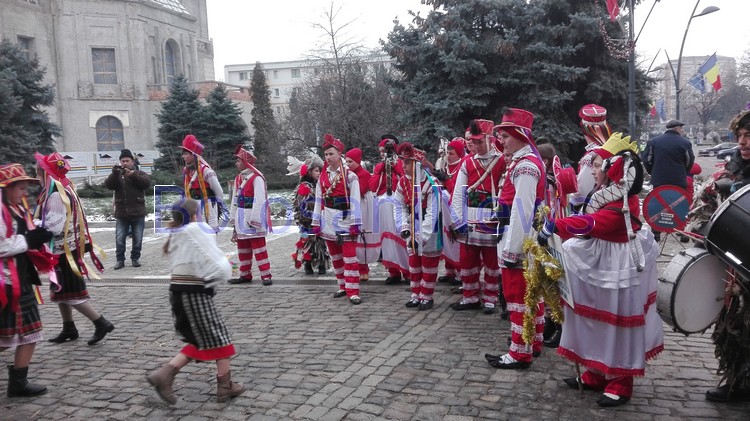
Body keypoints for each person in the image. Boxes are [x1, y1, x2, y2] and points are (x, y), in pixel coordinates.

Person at [537, 133, 664, 407]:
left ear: (613, 168)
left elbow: (598, 223)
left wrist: (557, 226)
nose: (592, 170)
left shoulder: (624, 201)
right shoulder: (604, 194)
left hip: (619, 266)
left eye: (596, 165)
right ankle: (596, 372)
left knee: (617, 323)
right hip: (603, 259)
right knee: (596, 319)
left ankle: (620, 381)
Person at [146, 198, 244, 404]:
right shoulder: (195, 229)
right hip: (194, 293)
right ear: (192, 215)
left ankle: (164, 375)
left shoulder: (178, 233)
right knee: (220, 338)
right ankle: (224, 387)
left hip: (182, 293)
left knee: (202, 340)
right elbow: (214, 261)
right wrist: (226, 269)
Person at [34, 152, 114, 346]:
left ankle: (100, 322)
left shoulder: (55, 194)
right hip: (64, 249)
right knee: (61, 291)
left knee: (70, 292)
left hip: (65, 251)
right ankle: (69, 328)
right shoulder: (63, 188)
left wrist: (33, 223)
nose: (37, 178)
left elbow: (54, 225)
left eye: (39, 174)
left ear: (47, 175)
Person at [486, 108, 545, 369]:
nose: (502, 141)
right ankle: (535, 341)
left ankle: (520, 352)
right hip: (519, 232)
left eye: (506, 135)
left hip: (519, 236)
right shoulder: (523, 162)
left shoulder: (526, 166)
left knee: (518, 295)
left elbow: (523, 209)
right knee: (532, 293)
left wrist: (513, 251)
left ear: (520, 135)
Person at [705, 108, 750, 402]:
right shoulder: (734, 165)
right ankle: (736, 383)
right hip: (738, 263)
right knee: (733, 326)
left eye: (749, 137)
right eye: (740, 136)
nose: (743, 142)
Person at [0, 163, 53, 397]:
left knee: (28, 334)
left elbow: (22, 233)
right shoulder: (1, 211)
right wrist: (28, 241)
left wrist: (35, 234)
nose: (24, 192)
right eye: (20, 187)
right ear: (6, 188)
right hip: (6, 282)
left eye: (25, 187)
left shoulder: (16, 209)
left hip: (20, 278)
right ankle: (18, 383)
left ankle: (18, 382)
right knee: (10, 336)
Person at [450, 119, 506, 314]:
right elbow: (458, 192)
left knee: (491, 259)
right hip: (471, 215)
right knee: (468, 259)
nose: (475, 146)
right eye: (473, 142)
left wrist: (503, 217)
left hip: (491, 214)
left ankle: (490, 298)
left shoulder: (502, 160)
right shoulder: (468, 162)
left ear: (489, 139)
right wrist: (457, 219)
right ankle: (470, 296)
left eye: (479, 142)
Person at [393, 143, 453, 310]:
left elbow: (433, 212)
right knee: (414, 262)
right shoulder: (403, 182)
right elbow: (399, 206)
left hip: (430, 227)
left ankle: (427, 295)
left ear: (417, 163)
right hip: (413, 224)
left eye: (407, 162)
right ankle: (415, 293)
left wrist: (423, 236)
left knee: (428, 262)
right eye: (402, 162)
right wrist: (403, 225)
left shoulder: (431, 183)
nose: (403, 166)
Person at [312, 134, 363, 305]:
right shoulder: (323, 177)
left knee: (349, 257)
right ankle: (342, 285)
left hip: (345, 219)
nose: (328, 158)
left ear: (339, 154)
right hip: (328, 219)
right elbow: (318, 200)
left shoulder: (350, 176)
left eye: (331, 154)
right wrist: (316, 221)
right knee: (335, 256)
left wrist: (356, 223)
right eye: (326, 155)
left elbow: (355, 201)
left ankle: (353, 290)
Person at [641, 119, 695, 241]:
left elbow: (646, 159)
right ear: (677, 129)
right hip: (679, 180)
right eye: (681, 129)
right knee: (680, 204)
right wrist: (683, 172)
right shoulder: (685, 143)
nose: (682, 131)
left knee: (658, 204)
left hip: (659, 180)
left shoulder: (654, 142)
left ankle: (656, 232)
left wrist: (652, 171)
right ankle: (681, 232)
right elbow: (689, 161)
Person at [227, 145, 273, 286]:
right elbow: (234, 199)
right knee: (243, 247)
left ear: (246, 162)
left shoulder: (257, 178)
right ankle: (245, 274)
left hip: (251, 217)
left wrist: (255, 219)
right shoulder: (238, 178)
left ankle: (266, 275)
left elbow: (260, 199)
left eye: (238, 161)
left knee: (259, 248)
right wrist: (234, 217)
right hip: (241, 216)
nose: (236, 164)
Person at [370, 135, 410, 284]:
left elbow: (406, 179)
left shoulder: (402, 164)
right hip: (383, 206)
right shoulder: (379, 167)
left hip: (399, 205)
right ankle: (393, 271)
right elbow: (372, 186)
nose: (383, 154)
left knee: (401, 236)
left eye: (385, 151)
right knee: (387, 239)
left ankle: (407, 271)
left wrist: (395, 166)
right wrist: (380, 170)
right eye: (380, 151)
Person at [104, 149, 151, 270]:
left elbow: (146, 184)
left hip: (138, 212)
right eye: (122, 161)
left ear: (132, 162)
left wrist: (132, 174)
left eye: (127, 161)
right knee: (119, 238)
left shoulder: (139, 173)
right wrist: (114, 173)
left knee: (138, 238)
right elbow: (109, 185)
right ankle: (120, 260)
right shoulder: (117, 175)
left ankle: (135, 258)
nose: (125, 163)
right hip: (122, 213)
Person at [288, 155, 329, 275]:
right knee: (309, 242)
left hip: (318, 218)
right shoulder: (305, 186)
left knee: (319, 242)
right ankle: (308, 264)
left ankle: (321, 264)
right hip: (308, 221)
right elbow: (302, 205)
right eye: (316, 170)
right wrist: (308, 218)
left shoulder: (318, 185)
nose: (319, 173)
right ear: (309, 171)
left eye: (320, 171)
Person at [346, 148, 380, 282]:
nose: (348, 164)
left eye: (351, 161)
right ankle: (358, 267)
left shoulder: (364, 174)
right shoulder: (347, 174)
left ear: (358, 161)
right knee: (355, 238)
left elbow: (361, 190)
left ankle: (364, 267)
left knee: (363, 235)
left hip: (363, 206)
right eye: (347, 161)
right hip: (353, 205)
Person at [569, 104, 612, 210]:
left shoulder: (591, 157)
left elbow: (582, 192)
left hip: (593, 209)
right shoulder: (610, 149)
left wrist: (565, 199)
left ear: (585, 130)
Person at [180, 134, 225, 233]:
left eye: (186, 154)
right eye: (183, 154)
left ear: (193, 154)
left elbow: (219, 192)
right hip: (193, 208)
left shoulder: (206, 171)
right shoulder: (186, 172)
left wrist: (217, 206)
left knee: (209, 236)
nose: (183, 156)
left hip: (207, 208)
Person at [437, 138, 465, 286]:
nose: (448, 156)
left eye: (452, 153)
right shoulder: (445, 165)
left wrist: (446, 180)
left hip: (455, 208)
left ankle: (461, 273)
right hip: (444, 208)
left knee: (455, 241)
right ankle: (449, 271)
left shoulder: (462, 167)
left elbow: (457, 189)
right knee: (446, 240)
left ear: (459, 154)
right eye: (447, 152)